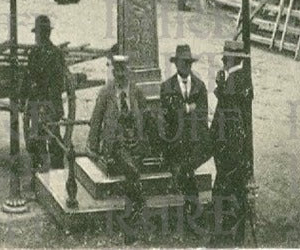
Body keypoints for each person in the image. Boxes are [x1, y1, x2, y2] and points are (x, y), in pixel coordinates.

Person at [88, 54, 151, 239]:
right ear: (114, 72)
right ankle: (142, 215)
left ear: (129, 71)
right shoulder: (106, 92)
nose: (121, 74)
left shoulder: (136, 92)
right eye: (118, 70)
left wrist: (146, 140)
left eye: (124, 70)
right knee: (131, 170)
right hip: (115, 144)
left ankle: (131, 223)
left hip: (136, 143)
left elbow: (146, 118)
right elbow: (96, 120)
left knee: (132, 174)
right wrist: (93, 148)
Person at [159, 44, 210, 234]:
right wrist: (189, 108)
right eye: (183, 62)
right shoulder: (166, 87)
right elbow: (170, 115)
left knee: (186, 173)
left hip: (194, 144)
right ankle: (194, 218)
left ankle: (192, 218)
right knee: (185, 174)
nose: (186, 66)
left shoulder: (200, 86)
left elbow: (202, 116)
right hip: (175, 144)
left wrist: (184, 110)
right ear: (176, 64)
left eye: (189, 62)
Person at [210, 40, 254, 246]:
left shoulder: (234, 80)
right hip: (233, 145)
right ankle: (233, 235)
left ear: (231, 59)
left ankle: (223, 236)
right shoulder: (239, 78)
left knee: (222, 190)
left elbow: (229, 112)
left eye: (225, 57)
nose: (222, 60)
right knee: (232, 190)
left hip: (230, 146)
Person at [22, 15, 67, 181]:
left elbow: (31, 79)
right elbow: (29, 77)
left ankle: (47, 176)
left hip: (43, 103)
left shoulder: (43, 53)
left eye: (39, 34)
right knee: (46, 138)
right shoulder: (49, 53)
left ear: (41, 34)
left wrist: (25, 99)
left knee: (45, 139)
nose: (38, 37)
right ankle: (49, 175)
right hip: (45, 103)